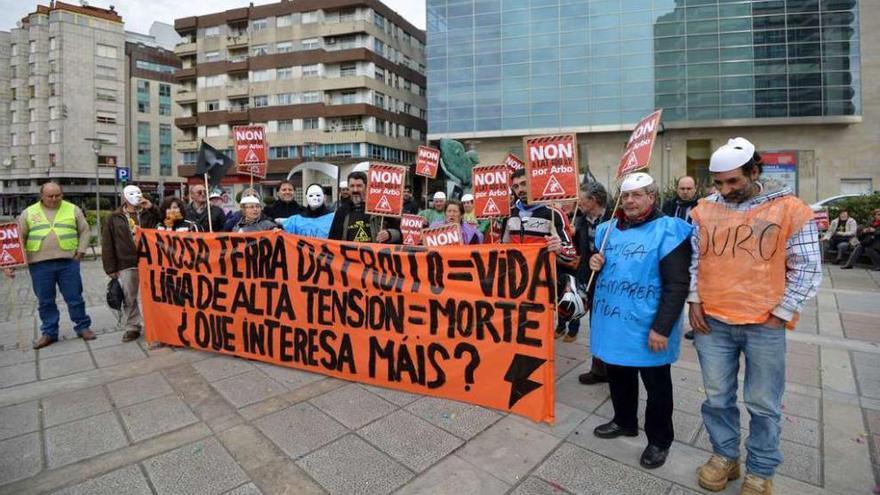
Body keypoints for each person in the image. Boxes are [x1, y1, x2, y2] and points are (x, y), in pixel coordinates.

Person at [688, 137, 821, 494]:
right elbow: (695, 260)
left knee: (763, 404)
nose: (725, 189)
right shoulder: (703, 209)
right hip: (712, 323)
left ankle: (760, 472)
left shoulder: (790, 209)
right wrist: (694, 299)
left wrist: (781, 313)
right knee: (717, 397)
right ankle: (724, 458)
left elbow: (807, 267)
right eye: (718, 182)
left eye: (733, 181)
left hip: (764, 325)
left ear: (755, 171)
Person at [589, 172, 692, 470]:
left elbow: (677, 284)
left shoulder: (669, 230)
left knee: (657, 386)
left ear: (652, 197)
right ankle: (624, 420)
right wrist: (595, 261)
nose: (630, 201)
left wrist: (662, 327)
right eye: (626, 195)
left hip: (650, 325)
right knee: (618, 375)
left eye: (637, 195)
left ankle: (659, 440)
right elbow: (600, 271)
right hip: (615, 323)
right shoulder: (607, 231)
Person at [3, 182, 94, 349]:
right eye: (50, 196)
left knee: (74, 297)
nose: (54, 199)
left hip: (68, 262)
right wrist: (10, 264)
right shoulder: (28, 213)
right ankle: (49, 332)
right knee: (45, 300)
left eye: (58, 195)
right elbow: (18, 239)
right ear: (41, 196)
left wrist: (81, 251)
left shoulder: (73, 209)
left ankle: (82, 327)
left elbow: (85, 231)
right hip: (39, 265)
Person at [101, 185, 160, 342]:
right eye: (132, 194)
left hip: (149, 260)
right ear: (124, 197)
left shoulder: (148, 214)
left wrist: (152, 207)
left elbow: (165, 220)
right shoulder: (114, 217)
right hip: (127, 261)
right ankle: (133, 326)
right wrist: (110, 267)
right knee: (129, 296)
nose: (136, 196)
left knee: (154, 294)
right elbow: (107, 242)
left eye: (138, 193)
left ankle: (158, 324)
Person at [574, 182, 614, 378]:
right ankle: (598, 368)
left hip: (612, 280)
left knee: (612, 324)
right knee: (595, 323)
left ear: (594, 200)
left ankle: (614, 368)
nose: (578, 202)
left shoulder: (615, 219)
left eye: (581, 198)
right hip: (589, 279)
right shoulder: (579, 222)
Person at [328, 171, 401, 243]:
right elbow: (332, 240)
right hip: (350, 254)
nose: (355, 190)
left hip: (374, 254)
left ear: (366, 186)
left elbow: (399, 235)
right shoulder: (342, 211)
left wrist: (389, 234)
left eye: (359, 186)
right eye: (352, 186)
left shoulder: (380, 209)